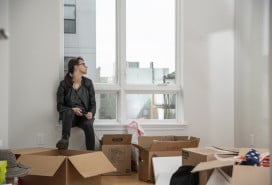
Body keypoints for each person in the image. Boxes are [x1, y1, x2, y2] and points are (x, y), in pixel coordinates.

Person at [56, 57, 96, 150]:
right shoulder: (63, 84)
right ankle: (64, 140)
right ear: (76, 67)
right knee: (69, 112)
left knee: (88, 125)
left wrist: (91, 113)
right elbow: (59, 106)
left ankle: (91, 153)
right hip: (70, 118)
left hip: (84, 117)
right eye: (83, 64)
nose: (86, 66)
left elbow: (93, 103)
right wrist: (72, 109)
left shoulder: (88, 83)